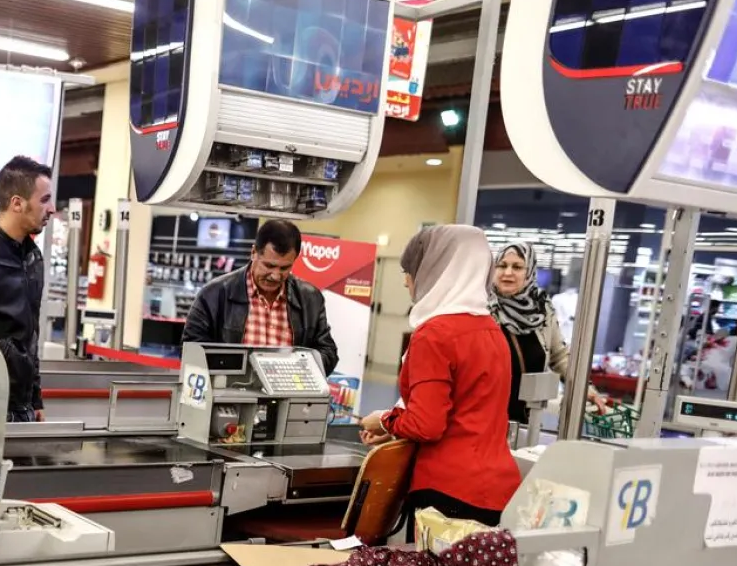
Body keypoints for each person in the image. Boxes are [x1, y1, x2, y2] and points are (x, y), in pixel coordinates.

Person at [360, 225, 520, 527]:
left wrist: (381, 420)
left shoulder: (433, 335)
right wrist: (395, 427)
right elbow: (464, 409)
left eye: (411, 272)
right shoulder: (491, 330)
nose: (408, 282)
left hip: (448, 492)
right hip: (497, 488)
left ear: (437, 272)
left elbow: (427, 425)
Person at [182, 219, 340, 375]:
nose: (276, 276)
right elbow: (191, 349)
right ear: (253, 253)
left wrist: (294, 370)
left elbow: (328, 353)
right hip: (229, 397)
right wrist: (242, 370)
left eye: (285, 267)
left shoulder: (310, 299)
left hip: (288, 397)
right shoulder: (213, 294)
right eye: (269, 266)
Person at [489, 241, 604, 422]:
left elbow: (559, 357)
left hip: (526, 419)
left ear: (530, 272)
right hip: (484, 418)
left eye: (517, 267)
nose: (507, 273)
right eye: (502, 265)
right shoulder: (483, 308)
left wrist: (584, 389)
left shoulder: (542, 310)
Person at [0, 155, 54, 422]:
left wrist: (35, 398)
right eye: (44, 200)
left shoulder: (33, 258)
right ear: (17, 203)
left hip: (21, 406)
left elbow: (31, 333)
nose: (51, 210)